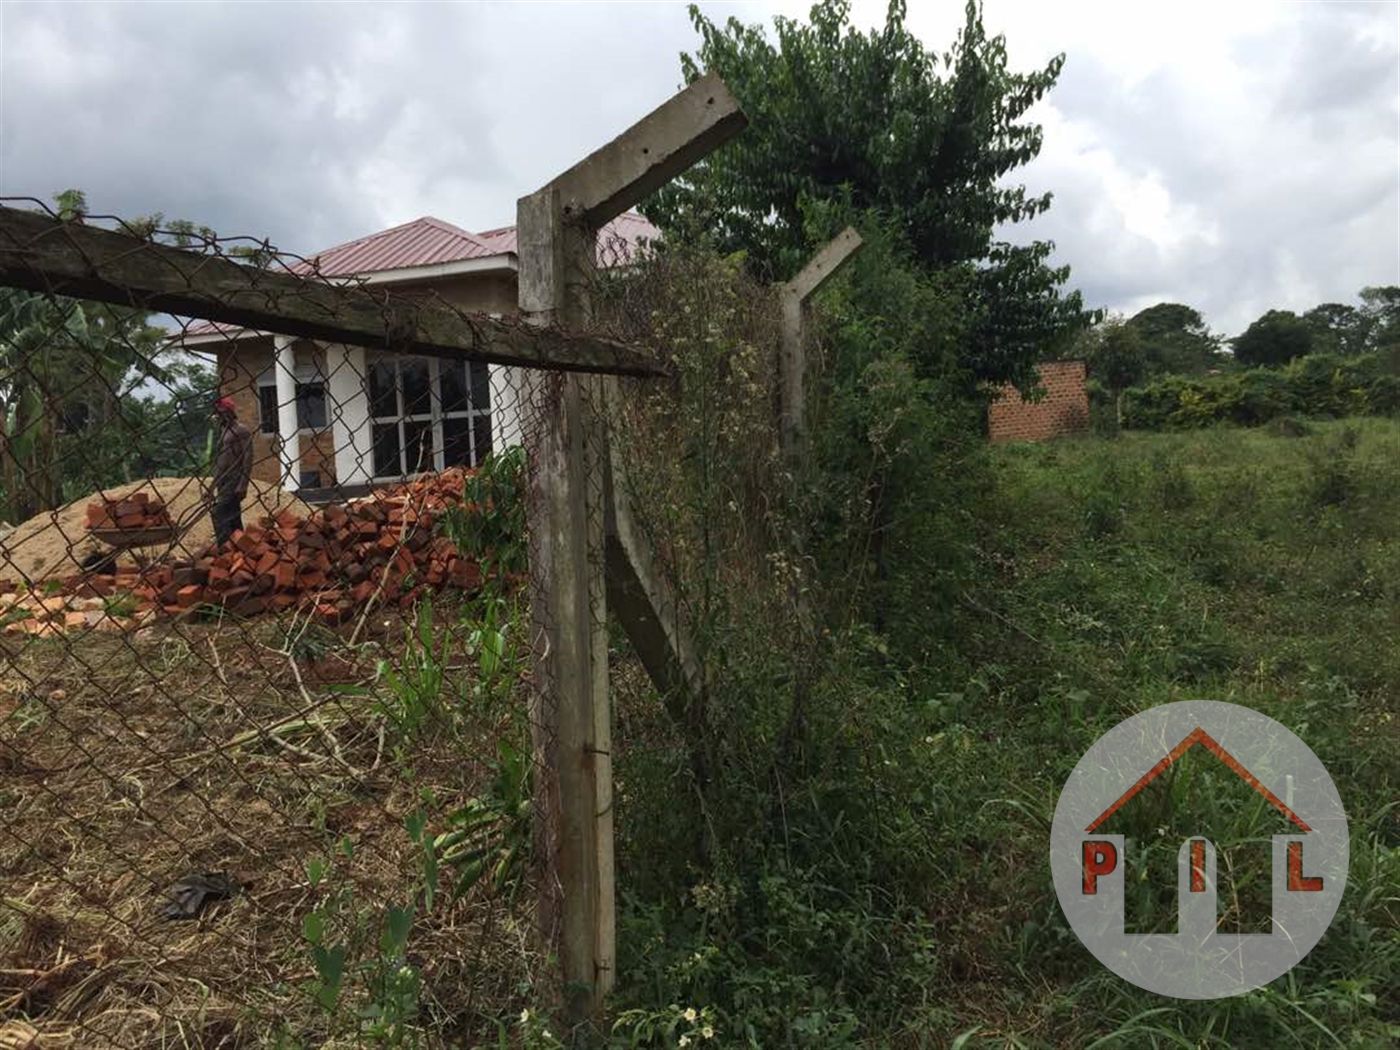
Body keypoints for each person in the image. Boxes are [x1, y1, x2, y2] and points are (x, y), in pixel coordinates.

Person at [211, 396, 253, 547]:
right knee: (233, 515)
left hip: (234, 477)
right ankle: (240, 546)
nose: (218, 416)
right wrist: (211, 487)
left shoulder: (241, 430)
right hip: (223, 479)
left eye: (221, 412)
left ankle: (224, 547)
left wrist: (243, 484)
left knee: (218, 512)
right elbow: (220, 463)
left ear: (228, 412)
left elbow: (248, 457)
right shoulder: (223, 431)